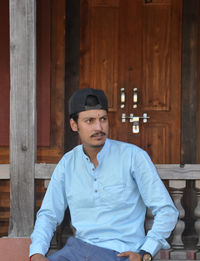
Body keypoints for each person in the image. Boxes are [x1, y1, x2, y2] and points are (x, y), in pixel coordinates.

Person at [29, 88, 178, 261]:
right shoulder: (67, 164)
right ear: (74, 125)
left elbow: (166, 210)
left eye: (103, 119)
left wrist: (146, 252)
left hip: (120, 252)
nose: (99, 127)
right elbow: (49, 214)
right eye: (89, 121)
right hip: (77, 251)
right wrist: (37, 252)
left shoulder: (133, 157)